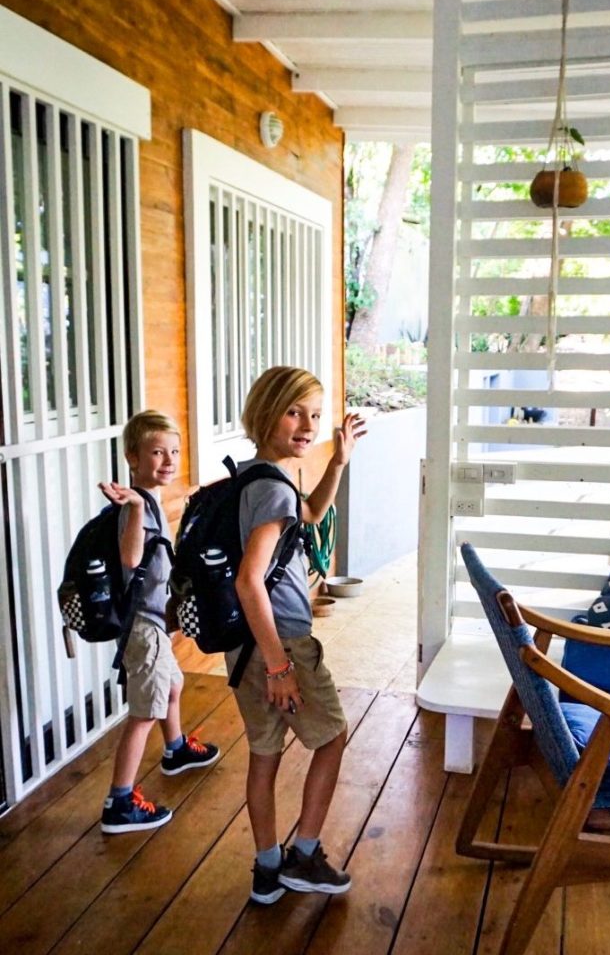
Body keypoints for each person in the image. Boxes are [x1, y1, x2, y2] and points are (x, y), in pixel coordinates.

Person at [230, 366, 365, 905]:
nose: (307, 424)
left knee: (265, 756)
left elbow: (310, 513)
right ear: (266, 413)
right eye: (294, 412)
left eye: (314, 414)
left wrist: (337, 460)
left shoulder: (255, 476)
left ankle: (268, 869)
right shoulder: (273, 492)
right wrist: (281, 666)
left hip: (244, 649)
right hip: (279, 644)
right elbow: (249, 581)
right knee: (331, 736)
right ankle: (304, 855)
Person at [98, 410, 220, 834]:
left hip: (153, 621)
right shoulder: (135, 506)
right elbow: (131, 560)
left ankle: (176, 749)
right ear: (133, 458)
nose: (168, 461)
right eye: (156, 452)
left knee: (172, 685)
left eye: (174, 451)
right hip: (141, 628)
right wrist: (132, 508)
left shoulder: (150, 500)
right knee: (144, 712)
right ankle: (119, 802)